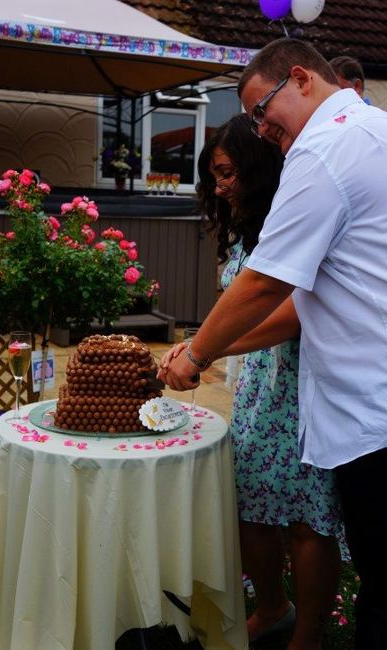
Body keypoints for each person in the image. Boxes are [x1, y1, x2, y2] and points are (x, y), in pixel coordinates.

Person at [158, 38, 387, 650]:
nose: (260, 129)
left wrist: (196, 354)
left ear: (302, 79)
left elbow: (266, 283)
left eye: (262, 111)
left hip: (372, 409)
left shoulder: (324, 147)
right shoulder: (374, 129)